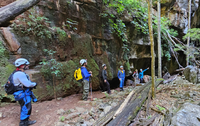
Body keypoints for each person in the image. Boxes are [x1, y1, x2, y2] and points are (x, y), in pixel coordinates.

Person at [13, 58, 37, 126]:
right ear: (22, 65)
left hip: (22, 93)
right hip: (23, 94)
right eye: (27, 64)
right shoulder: (20, 74)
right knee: (26, 107)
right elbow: (28, 84)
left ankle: (25, 120)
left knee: (25, 106)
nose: (28, 65)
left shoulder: (18, 73)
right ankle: (23, 123)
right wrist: (34, 84)